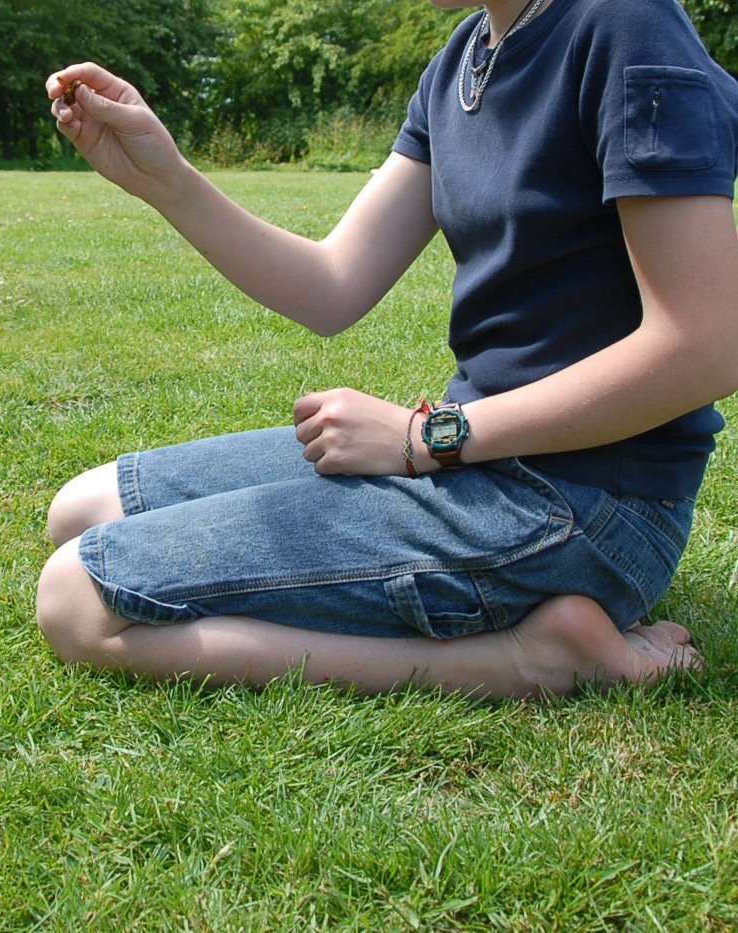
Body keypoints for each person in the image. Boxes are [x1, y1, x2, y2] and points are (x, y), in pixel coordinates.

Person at [36, 0, 738, 699]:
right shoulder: (462, 61)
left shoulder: (627, 25)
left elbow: (705, 345)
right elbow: (330, 285)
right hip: (481, 460)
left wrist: (424, 437)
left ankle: (529, 658)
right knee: (81, 506)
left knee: (77, 599)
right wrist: (167, 180)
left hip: (589, 505)